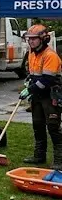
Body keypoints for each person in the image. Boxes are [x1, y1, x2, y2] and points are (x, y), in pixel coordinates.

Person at [21, 24, 62, 170]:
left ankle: (59, 160)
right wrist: (29, 83)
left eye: (34, 39)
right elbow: (33, 74)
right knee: (38, 125)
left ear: (42, 39)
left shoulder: (50, 55)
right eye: (29, 39)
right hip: (37, 96)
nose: (30, 41)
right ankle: (39, 155)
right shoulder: (32, 53)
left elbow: (47, 80)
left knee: (53, 127)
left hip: (50, 95)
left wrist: (29, 90)